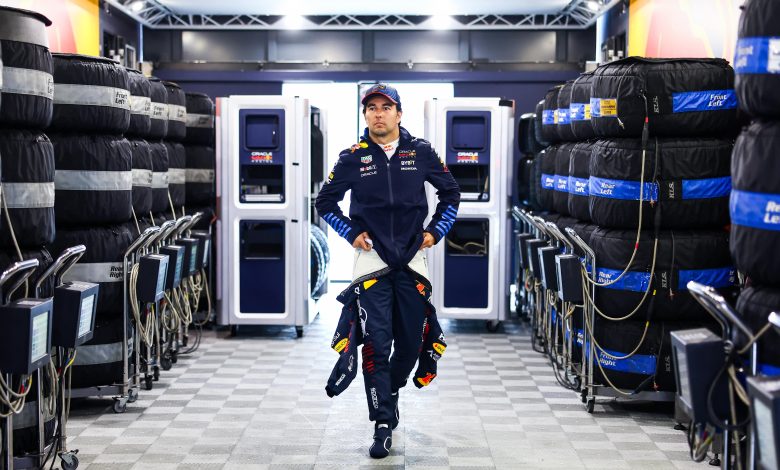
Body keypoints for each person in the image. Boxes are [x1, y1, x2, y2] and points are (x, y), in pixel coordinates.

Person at [315, 83, 460, 458]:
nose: (378, 113)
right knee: (377, 344)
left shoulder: (422, 152)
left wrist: (435, 232)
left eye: (385, 107)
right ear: (365, 115)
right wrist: (351, 233)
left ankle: (392, 390)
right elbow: (325, 203)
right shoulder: (352, 157)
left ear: (399, 114)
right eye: (371, 108)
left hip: (412, 261)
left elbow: (451, 195)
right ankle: (381, 422)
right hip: (372, 262)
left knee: (410, 344)